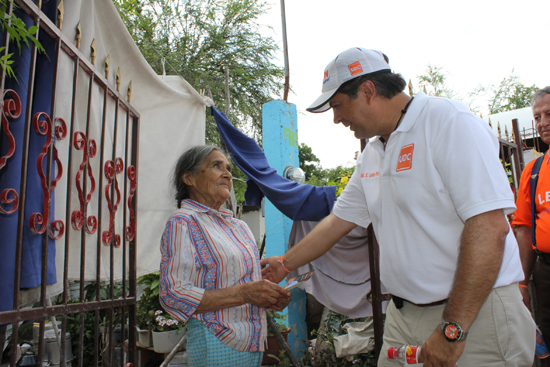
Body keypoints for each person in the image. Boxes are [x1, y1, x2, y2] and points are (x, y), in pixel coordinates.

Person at [261, 47, 535, 366]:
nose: (336, 119)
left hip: (474, 316)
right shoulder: (374, 154)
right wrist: (285, 263)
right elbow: (338, 221)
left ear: (368, 91)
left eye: (337, 106)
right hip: (404, 318)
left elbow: (490, 228)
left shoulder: (447, 122)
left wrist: (452, 329)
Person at [159, 145, 292, 367]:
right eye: (216, 166)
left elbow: (234, 280)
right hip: (216, 338)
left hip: (251, 340)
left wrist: (267, 292)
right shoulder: (183, 222)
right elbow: (173, 294)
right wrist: (245, 293)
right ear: (189, 178)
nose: (227, 173)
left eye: (228, 168)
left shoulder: (238, 226)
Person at [512, 86, 550, 358]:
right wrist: (522, 283)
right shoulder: (533, 171)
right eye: (537, 117)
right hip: (546, 272)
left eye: (549, 114)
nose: (543, 123)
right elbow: (523, 229)